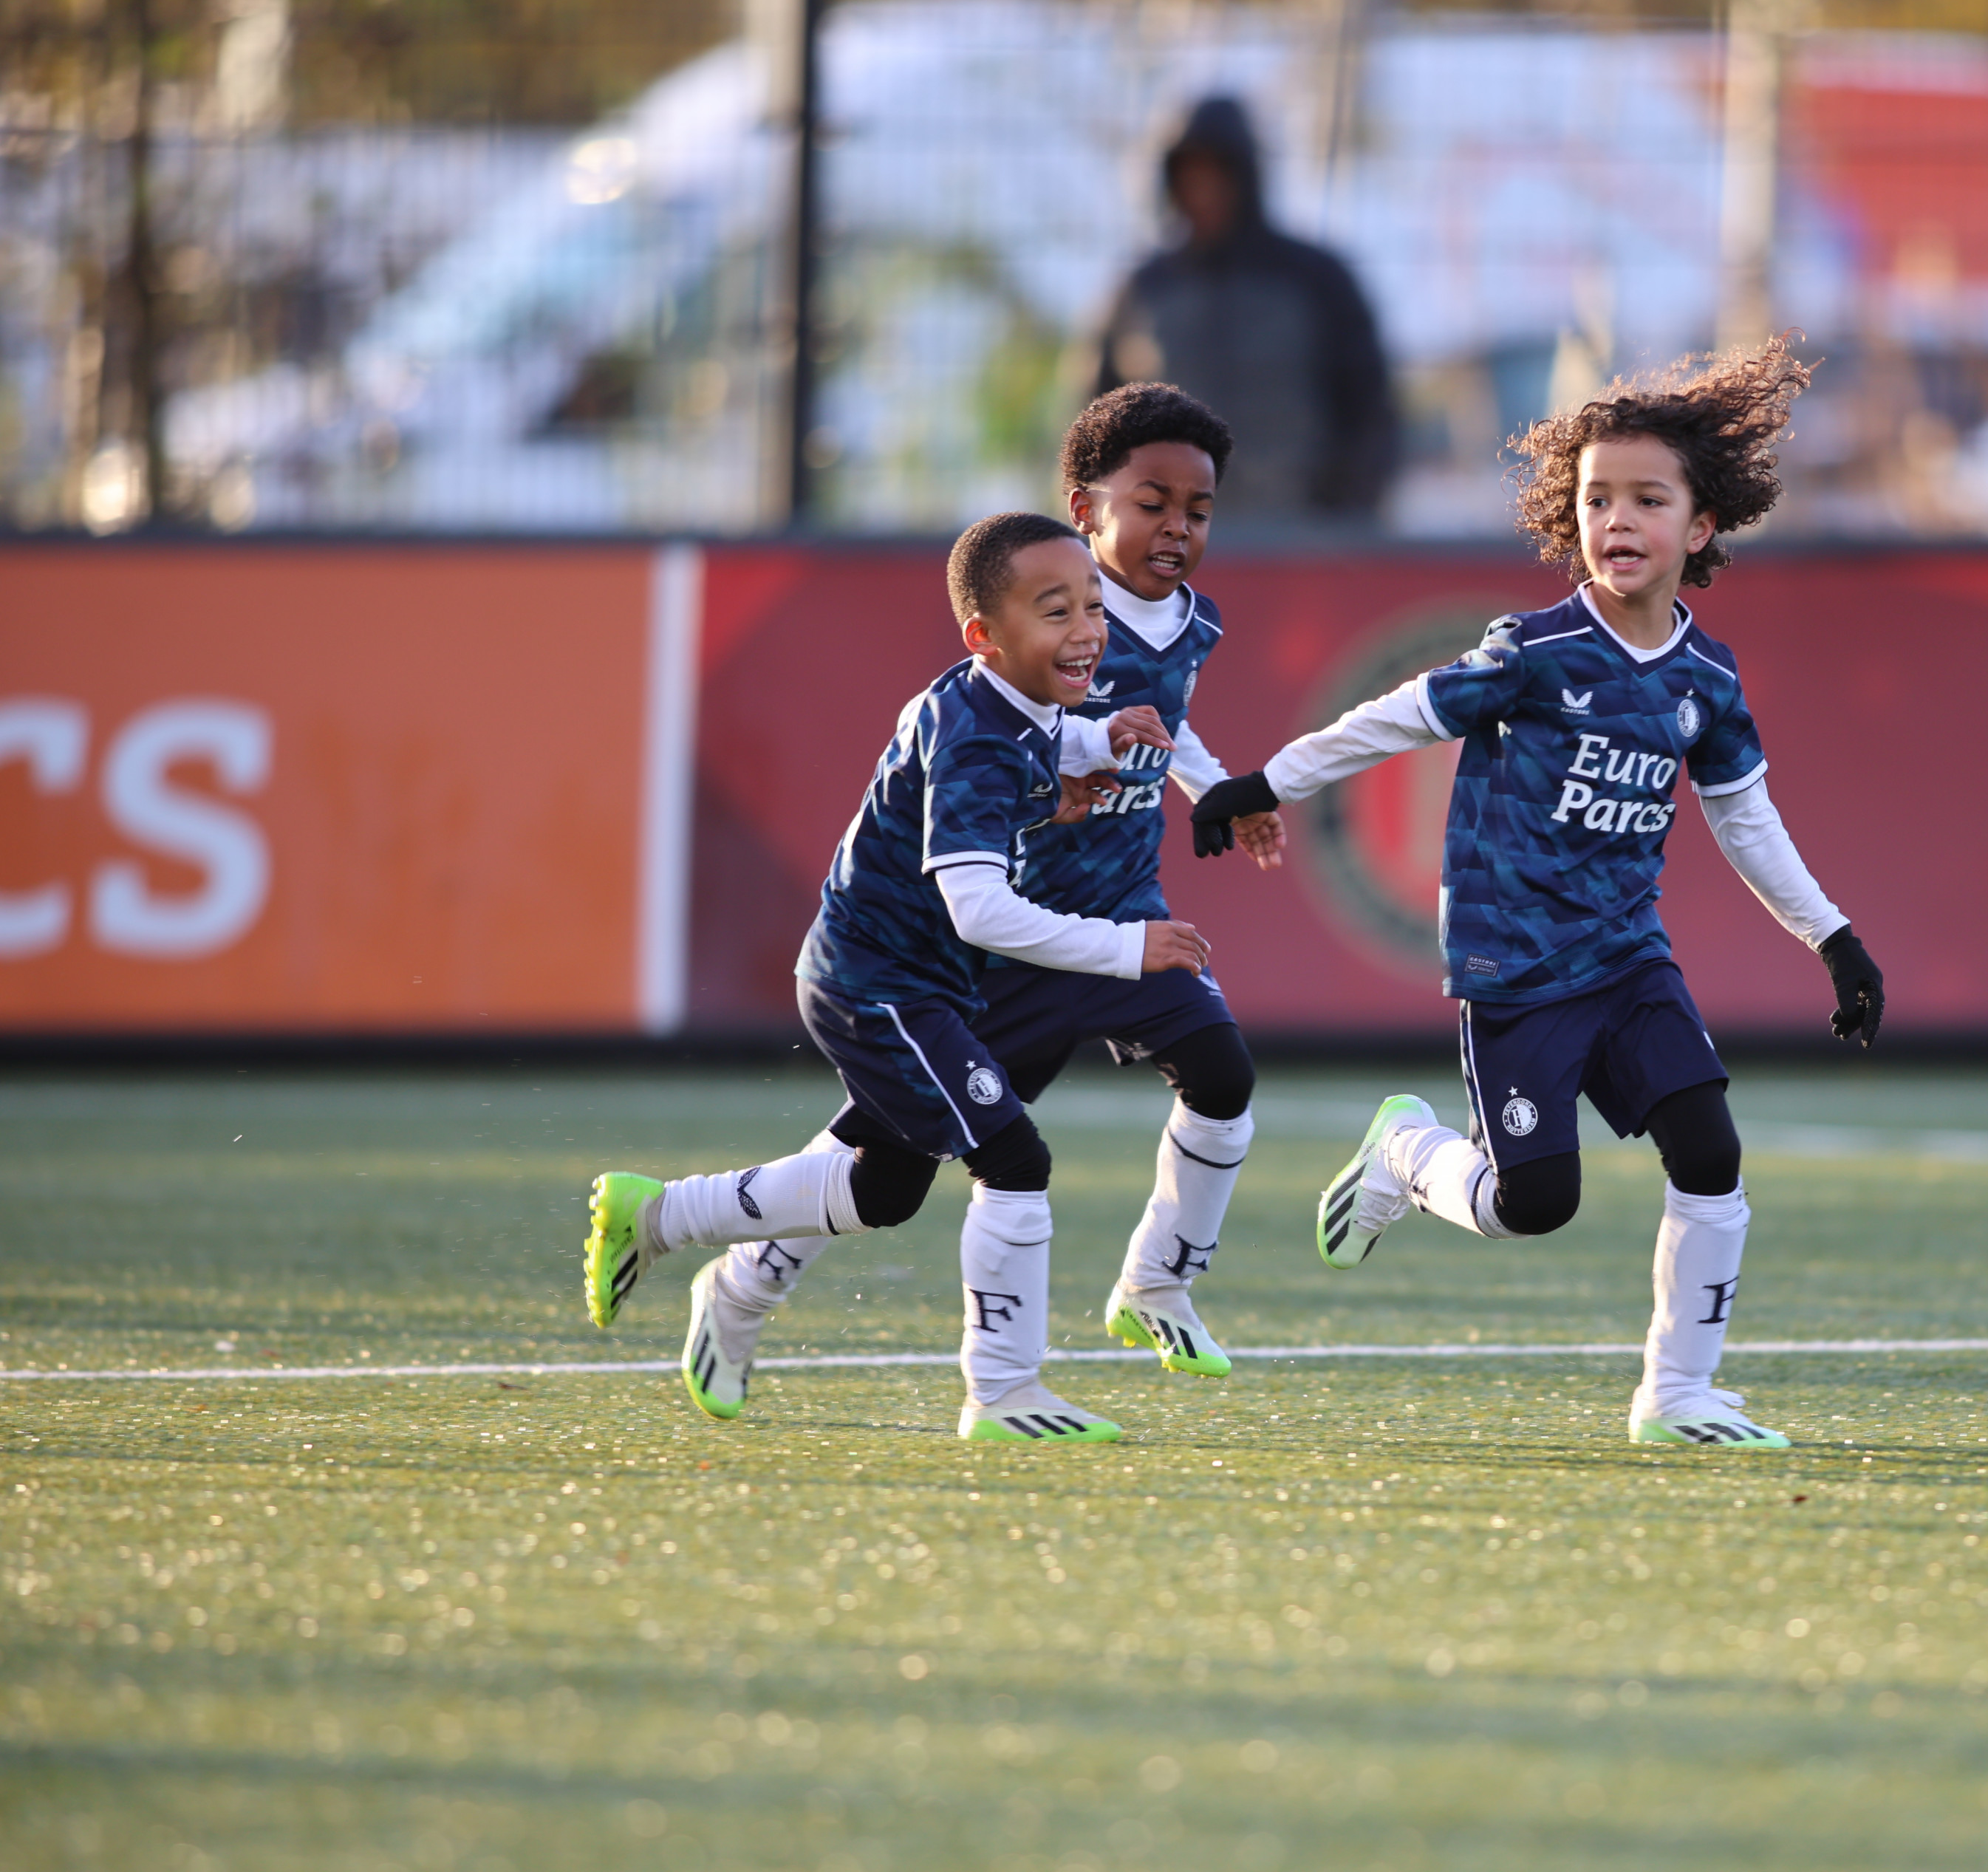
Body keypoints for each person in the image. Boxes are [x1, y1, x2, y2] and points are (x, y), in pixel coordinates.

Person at [1188, 339, 1885, 1449]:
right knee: (1535, 1204)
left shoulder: (1706, 682)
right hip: (1518, 972)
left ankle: (1677, 1393)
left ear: (1699, 528)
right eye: (1596, 496)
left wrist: (1833, 939)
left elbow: (1744, 816)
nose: (1618, 518)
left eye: (1647, 499)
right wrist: (1262, 782)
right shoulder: (1537, 652)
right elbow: (1401, 715)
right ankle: (1408, 1154)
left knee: (1709, 1150)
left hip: (1630, 961)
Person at [578, 512, 1209, 1444]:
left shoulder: (1005, 705)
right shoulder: (981, 738)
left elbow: (1032, 749)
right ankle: (1001, 1391)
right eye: (1054, 610)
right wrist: (1127, 947)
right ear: (985, 639)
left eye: (1090, 605)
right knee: (1014, 1158)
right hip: (878, 985)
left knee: (887, 1189)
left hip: (915, 986)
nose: (1086, 629)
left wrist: (1094, 742)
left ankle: (664, 1218)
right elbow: (980, 911)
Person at [969, 382, 1284, 1381]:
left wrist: (1218, 789)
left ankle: (1157, 1283)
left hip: (1127, 918)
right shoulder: (1046, 618)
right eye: (1151, 501)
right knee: (904, 1149)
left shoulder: (1195, 623)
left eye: (1198, 511)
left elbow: (1166, 719)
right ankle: (753, 1262)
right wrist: (1061, 769)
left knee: (1224, 1076)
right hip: (1012, 927)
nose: (1176, 528)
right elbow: (979, 738)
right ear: (1085, 507)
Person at [1093, 95, 1396, 522]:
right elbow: (1092, 420)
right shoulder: (1143, 291)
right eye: (1190, 175)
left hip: (1297, 538)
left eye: (1218, 174)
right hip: (1166, 544)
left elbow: (1370, 414)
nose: (1204, 191)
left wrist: (1347, 520)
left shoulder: (1316, 281)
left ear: (1246, 176)